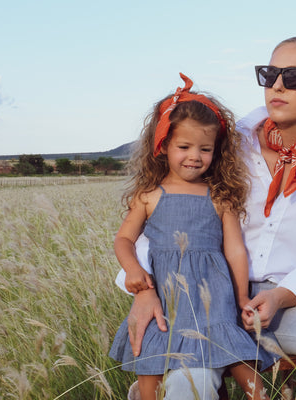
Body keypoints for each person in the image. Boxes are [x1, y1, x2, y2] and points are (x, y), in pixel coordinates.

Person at [125, 36, 296, 400]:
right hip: (202, 298)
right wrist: (145, 290)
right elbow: (164, 218)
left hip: (288, 306)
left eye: (292, 76)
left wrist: (279, 298)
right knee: (185, 386)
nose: (276, 85)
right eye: (269, 74)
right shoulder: (222, 143)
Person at [109, 73, 275, 400]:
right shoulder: (149, 196)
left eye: (205, 149)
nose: (194, 156)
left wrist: (241, 298)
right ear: (164, 146)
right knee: (151, 358)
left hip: (214, 297)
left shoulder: (219, 196)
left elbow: (235, 251)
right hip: (166, 296)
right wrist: (133, 270)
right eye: (183, 147)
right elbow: (123, 240)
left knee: (235, 352)